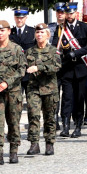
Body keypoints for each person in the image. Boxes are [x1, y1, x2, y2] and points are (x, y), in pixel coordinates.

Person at [51, 2, 87, 138]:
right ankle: (65, 126)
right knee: (67, 98)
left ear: (76, 13)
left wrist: (76, 53)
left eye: (71, 13)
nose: (69, 16)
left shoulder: (84, 27)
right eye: (67, 13)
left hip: (80, 68)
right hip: (66, 68)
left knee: (79, 98)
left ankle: (77, 126)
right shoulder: (60, 29)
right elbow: (54, 46)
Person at [0, 19, 25, 165]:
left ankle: (13, 151)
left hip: (13, 92)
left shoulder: (17, 49)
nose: (0, 33)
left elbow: (22, 70)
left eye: (2, 30)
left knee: (13, 122)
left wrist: (7, 83)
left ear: (9, 31)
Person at [24, 24, 61, 155]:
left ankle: (50, 143)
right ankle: (34, 144)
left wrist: (38, 67)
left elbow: (56, 67)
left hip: (49, 89)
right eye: (37, 32)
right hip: (33, 88)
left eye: (42, 32)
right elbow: (23, 67)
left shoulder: (53, 50)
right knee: (33, 116)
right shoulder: (29, 52)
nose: (39, 35)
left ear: (47, 35)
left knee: (49, 117)